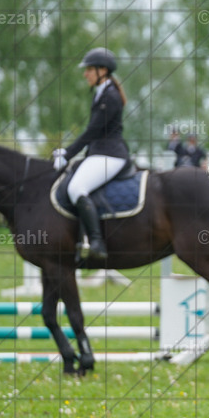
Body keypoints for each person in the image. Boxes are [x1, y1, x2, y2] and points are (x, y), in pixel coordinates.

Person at [53, 47, 130, 261]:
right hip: (99, 153)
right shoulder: (102, 93)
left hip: (110, 155)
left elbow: (92, 131)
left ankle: (96, 242)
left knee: (77, 188)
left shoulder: (110, 96)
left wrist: (67, 154)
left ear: (102, 70)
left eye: (89, 70)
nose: (85, 74)